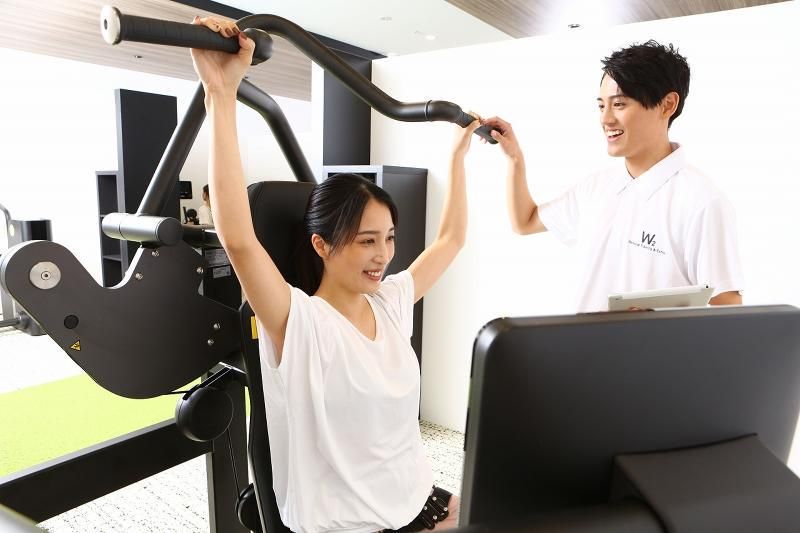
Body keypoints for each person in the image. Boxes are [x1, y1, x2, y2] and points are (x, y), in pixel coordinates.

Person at [190, 15, 480, 532]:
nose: (383, 255)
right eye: (367, 241)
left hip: (417, 500)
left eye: (389, 238)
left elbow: (451, 240)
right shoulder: (299, 323)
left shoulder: (389, 303)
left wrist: (458, 156)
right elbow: (238, 239)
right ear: (321, 245)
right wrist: (221, 92)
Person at [483, 40, 744, 312]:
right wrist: (514, 158)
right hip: (580, 340)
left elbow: (728, 311)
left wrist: (658, 326)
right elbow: (524, 222)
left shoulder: (702, 202)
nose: (605, 119)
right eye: (601, 106)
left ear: (667, 105)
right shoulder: (595, 187)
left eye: (619, 104)